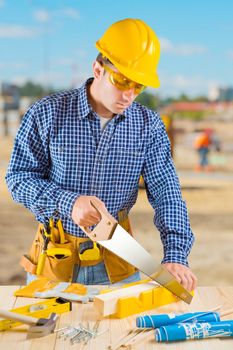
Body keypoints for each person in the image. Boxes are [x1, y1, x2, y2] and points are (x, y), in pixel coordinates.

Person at [6, 18, 197, 291]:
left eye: (138, 86)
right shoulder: (46, 113)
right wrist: (68, 203)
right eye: (122, 80)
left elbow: (167, 193)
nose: (129, 95)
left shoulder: (149, 127)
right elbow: (18, 179)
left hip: (119, 264)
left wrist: (176, 256)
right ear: (98, 68)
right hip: (54, 263)